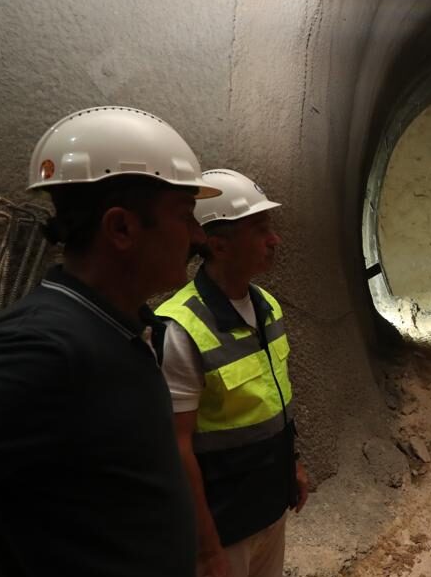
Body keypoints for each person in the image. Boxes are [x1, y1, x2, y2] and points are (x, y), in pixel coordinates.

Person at [0, 106, 221, 576]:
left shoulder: (123, 331)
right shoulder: (38, 350)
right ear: (121, 228)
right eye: (185, 215)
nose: (198, 236)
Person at [156, 169, 309, 577]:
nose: (274, 240)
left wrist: (290, 463)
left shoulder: (267, 307)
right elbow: (176, 447)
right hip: (223, 528)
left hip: (269, 508)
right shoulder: (179, 328)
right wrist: (207, 551)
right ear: (219, 246)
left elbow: (274, 399)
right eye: (260, 229)